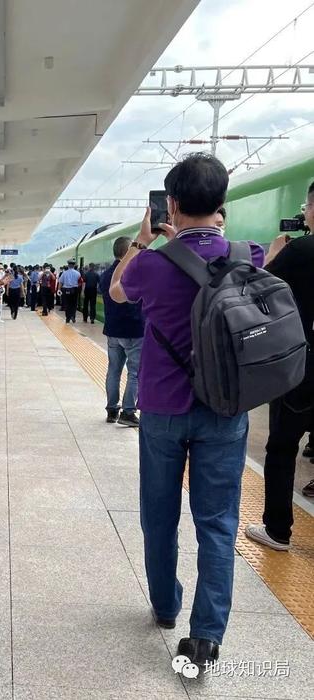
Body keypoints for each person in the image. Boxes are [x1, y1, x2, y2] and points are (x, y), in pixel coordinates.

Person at [109, 152, 264, 668]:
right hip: (225, 408)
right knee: (217, 522)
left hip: (162, 409)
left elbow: (115, 289)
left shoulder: (152, 264)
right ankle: (206, 635)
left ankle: (165, 604)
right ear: (222, 205)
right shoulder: (249, 255)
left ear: (169, 205)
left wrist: (143, 239)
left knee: (159, 513)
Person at [245, 183, 314, 549]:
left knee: (283, 447)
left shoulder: (301, 250)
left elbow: (256, 290)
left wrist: (272, 257)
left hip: (300, 370)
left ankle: (277, 530)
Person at [99, 237, 144, 426]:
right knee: (134, 373)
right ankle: (128, 411)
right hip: (134, 330)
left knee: (113, 370)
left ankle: (111, 410)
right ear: (128, 251)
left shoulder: (106, 274)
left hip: (112, 330)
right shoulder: (135, 273)